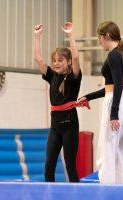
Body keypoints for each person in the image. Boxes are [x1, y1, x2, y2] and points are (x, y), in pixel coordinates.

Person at [78, 21, 123, 184]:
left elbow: (117, 85)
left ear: (107, 36)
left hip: (116, 104)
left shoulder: (113, 55)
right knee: (121, 156)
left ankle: (106, 193)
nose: (99, 41)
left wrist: (113, 114)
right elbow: (114, 86)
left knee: (107, 154)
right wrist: (89, 96)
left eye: (99, 38)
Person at [34, 22, 82, 182]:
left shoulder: (74, 77)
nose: (55, 63)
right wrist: (37, 36)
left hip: (70, 126)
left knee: (70, 166)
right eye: (54, 60)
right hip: (55, 127)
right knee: (48, 166)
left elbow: (76, 57)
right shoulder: (52, 76)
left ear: (68, 62)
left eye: (60, 60)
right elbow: (37, 58)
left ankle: (77, 194)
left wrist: (70, 35)